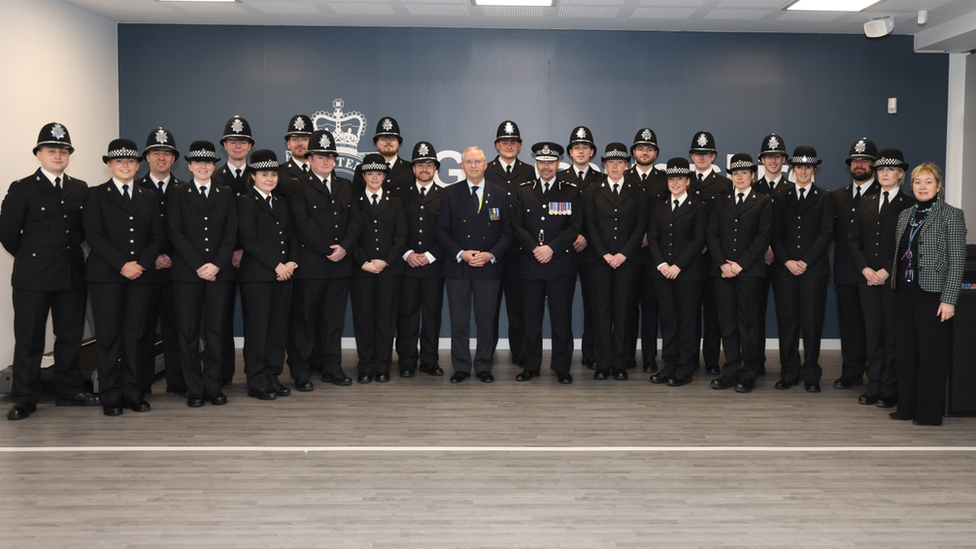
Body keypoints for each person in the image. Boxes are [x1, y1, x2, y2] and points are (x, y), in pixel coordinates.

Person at [1, 123, 99, 420]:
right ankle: (25, 397)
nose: (58, 155)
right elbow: (7, 234)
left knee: (69, 336)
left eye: (63, 150)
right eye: (52, 150)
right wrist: (34, 257)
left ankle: (69, 390)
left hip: (70, 273)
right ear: (39, 154)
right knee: (29, 338)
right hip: (33, 275)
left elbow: (84, 230)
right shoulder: (22, 188)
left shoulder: (79, 188)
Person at [83, 139, 164, 416]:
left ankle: (133, 392)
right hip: (106, 276)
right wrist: (123, 265)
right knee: (108, 336)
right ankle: (110, 396)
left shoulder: (149, 196)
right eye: (119, 161)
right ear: (109, 165)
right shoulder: (95, 195)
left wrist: (139, 264)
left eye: (130, 161)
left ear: (138, 165)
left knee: (136, 335)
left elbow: (157, 237)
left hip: (141, 276)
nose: (125, 165)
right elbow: (94, 236)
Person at [889, 163, 965, 426]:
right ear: (912, 186)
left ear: (938, 186)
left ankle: (928, 413)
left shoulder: (951, 215)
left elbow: (957, 261)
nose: (923, 187)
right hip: (904, 293)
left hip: (933, 295)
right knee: (907, 352)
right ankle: (906, 408)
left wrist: (949, 299)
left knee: (932, 354)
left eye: (928, 182)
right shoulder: (905, 215)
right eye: (918, 182)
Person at [167, 140, 238, 407]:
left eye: (208, 162)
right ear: (189, 165)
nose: (203, 166)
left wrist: (216, 265)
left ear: (214, 164)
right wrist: (199, 265)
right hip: (188, 274)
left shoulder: (226, 193)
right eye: (198, 162)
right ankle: (194, 387)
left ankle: (212, 384)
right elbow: (176, 233)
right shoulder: (178, 193)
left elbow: (231, 233)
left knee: (216, 331)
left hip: (219, 274)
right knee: (187, 333)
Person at [287, 129, 359, 390]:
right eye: (320, 156)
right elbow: (302, 224)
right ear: (310, 159)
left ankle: (331, 367)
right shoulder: (297, 186)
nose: (326, 161)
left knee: (333, 321)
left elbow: (355, 221)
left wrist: (345, 247)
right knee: (304, 321)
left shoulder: (344, 185)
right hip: (311, 265)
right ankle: (302, 370)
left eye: (330, 156)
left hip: (340, 265)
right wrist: (328, 249)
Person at [435, 146, 512, 384]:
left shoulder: (500, 194)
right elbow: (441, 230)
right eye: (469, 162)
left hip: (488, 268)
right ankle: (460, 366)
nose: (473, 165)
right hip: (459, 267)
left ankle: (483, 366)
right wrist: (461, 253)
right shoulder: (450, 193)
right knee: (459, 320)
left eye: (477, 161)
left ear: (486, 164)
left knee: (486, 320)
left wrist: (490, 255)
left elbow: (506, 233)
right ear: (462, 166)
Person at [849, 148, 915, 408]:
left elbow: (909, 244)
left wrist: (887, 270)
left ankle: (890, 387)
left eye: (890, 170)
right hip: (867, 279)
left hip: (894, 279)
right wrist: (865, 269)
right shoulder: (865, 201)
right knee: (872, 334)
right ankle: (873, 385)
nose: (884, 173)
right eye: (880, 170)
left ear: (900, 174)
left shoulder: (909, 204)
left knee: (892, 335)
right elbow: (854, 240)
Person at [511, 142, 581, 384]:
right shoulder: (523, 190)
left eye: (551, 162)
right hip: (530, 264)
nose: (546, 167)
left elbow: (574, 227)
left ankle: (562, 366)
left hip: (560, 264)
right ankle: (531, 365)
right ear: (536, 164)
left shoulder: (570, 190)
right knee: (531, 320)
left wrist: (551, 248)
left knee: (562, 320)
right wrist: (535, 248)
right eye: (542, 162)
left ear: (558, 164)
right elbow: (517, 225)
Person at [770, 146, 834, 393]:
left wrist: (805, 261)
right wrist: (787, 261)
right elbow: (774, 233)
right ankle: (789, 372)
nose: (804, 171)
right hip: (784, 269)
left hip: (813, 270)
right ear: (793, 169)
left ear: (814, 170)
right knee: (787, 323)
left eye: (808, 167)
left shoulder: (825, 197)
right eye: (799, 166)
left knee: (812, 323)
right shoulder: (780, 196)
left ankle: (811, 373)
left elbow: (826, 233)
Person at [706, 153, 772, 393]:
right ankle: (731, 370)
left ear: (753, 175)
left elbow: (762, 238)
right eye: (735, 173)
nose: (740, 177)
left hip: (750, 273)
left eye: (744, 173)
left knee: (749, 325)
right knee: (728, 325)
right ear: (730, 176)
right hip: (722, 273)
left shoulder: (763, 201)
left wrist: (739, 265)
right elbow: (711, 235)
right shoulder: (721, 201)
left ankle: (749, 372)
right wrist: (723, 264)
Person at [582, 143, 647, 381]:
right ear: (605, 165)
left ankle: (620, 362)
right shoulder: (591, 190)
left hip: (628, 262)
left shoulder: (637, 191)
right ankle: (603, 363)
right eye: (610, 162)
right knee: (601, 313)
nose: (615, 166)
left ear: (627, 165)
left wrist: (623, 254)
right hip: (599, 262)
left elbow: (640, 226)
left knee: (624, 312)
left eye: (619, 162)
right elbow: (589, 225)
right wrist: (605, 254)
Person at [237, 150, 299, 400]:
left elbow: (293, 236)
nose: (270, 178)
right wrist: (278, 265)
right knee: (258, 330)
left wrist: (292, 263)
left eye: (273, 174)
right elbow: (249, 241)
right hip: (259, 276)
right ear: (253, 176)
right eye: (264, 174)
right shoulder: (245, 202)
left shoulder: (282, 202)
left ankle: (273, 376)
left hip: (284, 275)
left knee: (277, 329)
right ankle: (256, 380)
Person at [647, 158, 708, 387]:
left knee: (688, 320)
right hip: (662, 274)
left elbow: (698, 240)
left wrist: (677, 266)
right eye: (671, 178)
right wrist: (662, 265)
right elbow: (652, 238)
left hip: (688, 273)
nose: (675, 182)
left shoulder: (699, 207)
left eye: (679, 178)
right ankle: (669, 365)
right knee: (669, 320)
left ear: (688, 181)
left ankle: (685, 367)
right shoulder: (659, 206)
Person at [137, 127, 186, 398]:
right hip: (145, 271)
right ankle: (142, 383)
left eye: (167, 153)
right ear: (147, 157)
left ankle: (177, 381)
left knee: (177, 328)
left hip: (176, 271)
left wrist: (173, 258)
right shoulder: (135, 189)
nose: (162, 158)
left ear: (174, 159)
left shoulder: (185, 190)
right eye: (156, 153)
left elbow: (191, 232)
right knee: (143, 329)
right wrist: (151, 257)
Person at [350, 154, 407, 384]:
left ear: (385, 176)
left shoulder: (396, 202)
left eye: (379, 173)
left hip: (389, 270)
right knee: (363, 319)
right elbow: (349, 237)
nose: (374, 177)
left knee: (386, 319)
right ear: (363, 176)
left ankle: (382, 366)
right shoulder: (354, 202)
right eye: (370, 173)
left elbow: (401, 236)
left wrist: (385, 261)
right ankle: (365, 366)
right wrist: (363, 262)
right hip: (361, 270)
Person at [484, 120, 534, 367]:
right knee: (489, 308)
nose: (509, 145)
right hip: (492, 250)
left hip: (519, 250)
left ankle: (519, 352)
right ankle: (487, 353)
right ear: (496, 145)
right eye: (505, 142)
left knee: (518, 306)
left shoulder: (529, 171)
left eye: (513, 142)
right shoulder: (485, 169)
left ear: (520, 146)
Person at [832, 138, 880, 390]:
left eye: (864, 160)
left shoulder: (882, 194)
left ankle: (876, 374)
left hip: (873, 274)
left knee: (874, 329)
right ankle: (851, 372)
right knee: (850, 327)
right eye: (855, 161)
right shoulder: (837, 196)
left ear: (874, 165)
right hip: (844, 273)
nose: (859, 164)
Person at [394, 141, 446, 378]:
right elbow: (394, 231)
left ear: (435, 167)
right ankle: (406, 360)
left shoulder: (446, 196)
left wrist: (429, 256)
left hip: (434, 267)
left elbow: (448, 231)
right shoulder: (399, 197)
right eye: (419, 164)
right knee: (407, 315)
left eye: (428, 164)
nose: (424, 168)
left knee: (432, 316)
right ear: (413, 168)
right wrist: (407, 254)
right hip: (407, 266)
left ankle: (429, 360)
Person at [213, 115, 253, 388]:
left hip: (254, 259)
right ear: (224, 145)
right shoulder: (211, 176)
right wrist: (231, 250)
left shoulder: (262, 176)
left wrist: (243, 249)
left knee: (255, 320)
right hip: (222, 260)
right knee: (221, 321)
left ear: (249, 146)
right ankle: (222, 374)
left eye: (242, 141)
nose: (237, 146)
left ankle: (255, 373)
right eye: (232, 141)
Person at [558, 126, 600, 372]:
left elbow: (602, 219)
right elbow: (556, 217)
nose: (581, 151)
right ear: (570, 152)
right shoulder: (560, 180)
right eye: (576, 147)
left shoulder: (601, 179)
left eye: (585, 147)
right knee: (561, 305)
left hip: (592, 251)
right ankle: (563, 355)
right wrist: (572, 237)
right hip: (565, 251)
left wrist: (586, 237)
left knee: (593, 304)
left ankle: (591, 352)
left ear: (592, 152)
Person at [689, 130, 730, 376]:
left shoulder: (725, 184)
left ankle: (712, 360)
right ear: (692, 156)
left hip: (714, 259)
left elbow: (726, 222)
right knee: (690, 313)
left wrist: (709, 244)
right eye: (697, 153)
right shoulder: (682, 180)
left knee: (714, 315)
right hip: (688, 259)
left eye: (706, 153)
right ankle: (691, 358)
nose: (701, 157)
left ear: (714, 156)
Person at [626, 128, 666, 374]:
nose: (644, 152)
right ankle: (627, 355)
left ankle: (650, 357)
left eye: (649, 148)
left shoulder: (664, 181)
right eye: (640, 148)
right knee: (627, 307)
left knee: (651, 309)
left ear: (656, 153)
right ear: (633, 153)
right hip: (627, 254)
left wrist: (649, 237)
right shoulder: (624, 177)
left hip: (655, 255)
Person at [753, 133, 790, 376]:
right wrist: (765, 248)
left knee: (787, 317)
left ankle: (789, 367)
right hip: (756, 261)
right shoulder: (753, 187)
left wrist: (776, 250)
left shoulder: (793, 189)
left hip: (784, 261)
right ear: (762, 160)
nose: (773, 161)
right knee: (754, 315)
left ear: (784, 159)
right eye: (769, 156)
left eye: (777, 156)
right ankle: (756, 363)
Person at [352, 116, 413, 194]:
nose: (388, 142)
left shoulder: (410, 169)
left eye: (392, 139)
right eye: (383, 139)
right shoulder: (362, 169)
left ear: (398, 143)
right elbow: (356, 199)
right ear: (376, 143)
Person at [278, 114, 313, 195]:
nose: (300, 144)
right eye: (295, 139)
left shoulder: (322, 169)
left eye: (305, 139)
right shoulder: (280, 172)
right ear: (288, 144)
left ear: (312, 143)